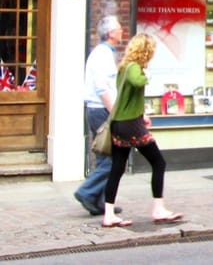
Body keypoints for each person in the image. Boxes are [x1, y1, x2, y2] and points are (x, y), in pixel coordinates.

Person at [102, 32, 182, 227]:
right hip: (130, 125)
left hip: (121, 122)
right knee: (158, 162)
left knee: (117, 168)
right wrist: (147, 75)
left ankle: (109, 214)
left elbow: (128, 98)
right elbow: (138, 81)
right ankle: (158, 208)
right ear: (145, 51)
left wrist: (141, 114)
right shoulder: (133, 68)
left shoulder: (123, 67)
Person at [74, 15, 124, 216]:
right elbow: (103, 88)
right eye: (119, 29)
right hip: (101, 110)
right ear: (111, 33)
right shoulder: (102, 56)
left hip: (97, 110)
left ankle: (101, 201)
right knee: (111, 159)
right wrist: (115, 113)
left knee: (106, 156)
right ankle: (87, 191)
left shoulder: (103, 54)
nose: (122, 31)